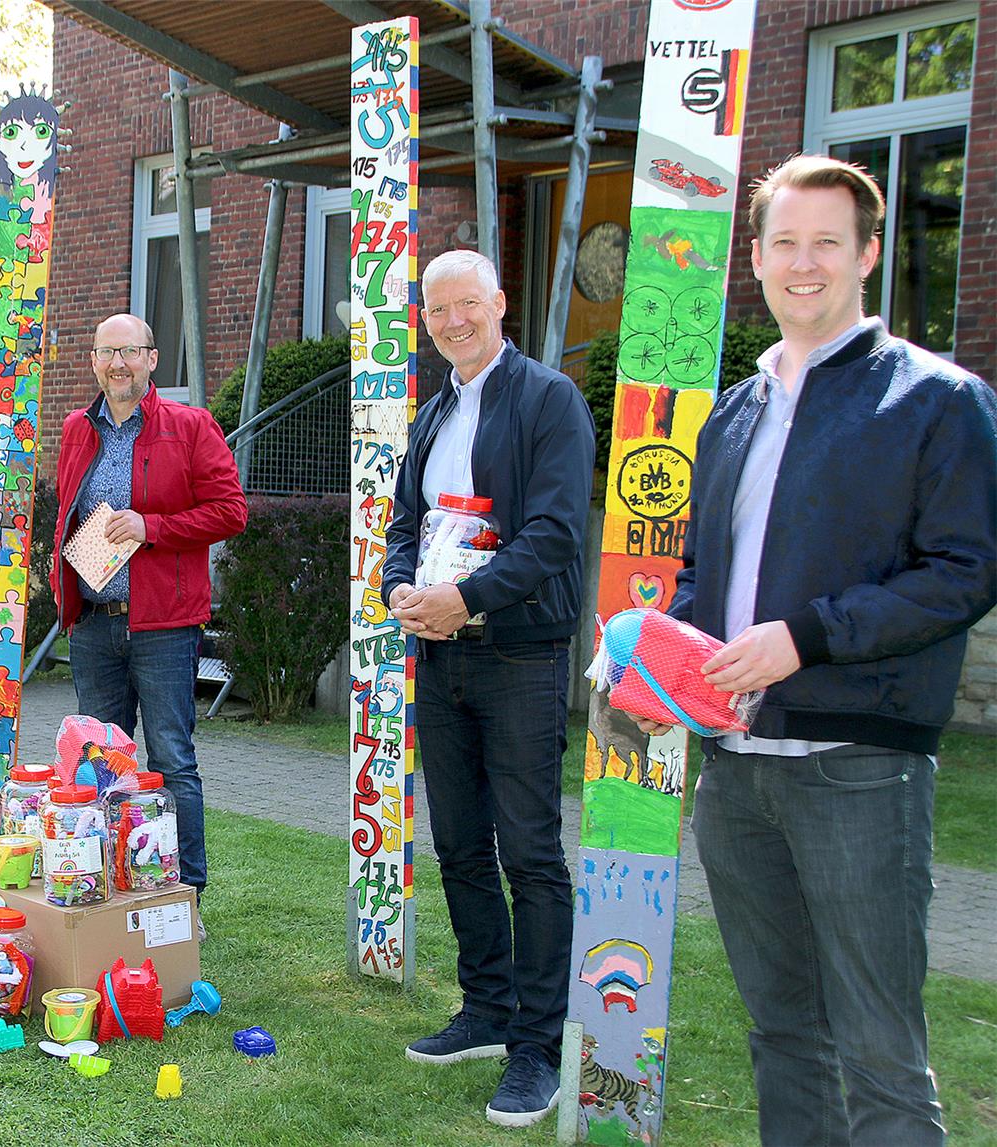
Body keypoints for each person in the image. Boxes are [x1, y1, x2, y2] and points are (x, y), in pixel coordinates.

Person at [639, 155, 996, 1146]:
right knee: (783, 1033)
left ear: (866, 254)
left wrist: (804, 638)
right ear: (752, 257)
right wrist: (662, 652)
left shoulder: (937, 400)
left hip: (860, 772)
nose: (803, 263)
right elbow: (705, 574)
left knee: (880, 1049)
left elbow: (964, 571)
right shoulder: (732, 412)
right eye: (783, 243)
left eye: (825, 243)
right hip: (733, 771)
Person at [381, 249, 596, 1128]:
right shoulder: (434, 413)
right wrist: (402, 590)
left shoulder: (549, 399)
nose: (454, 321)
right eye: (438, 310)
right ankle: (487, 1006)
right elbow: (405, 524)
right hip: (442, 656)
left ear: (500, 303)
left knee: (532, 856)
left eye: (468, 303)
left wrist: (464, 596)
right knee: (462, 844)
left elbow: (552, 534)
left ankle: (537, 1047)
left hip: (521, 656)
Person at [51, 313, 247, 897]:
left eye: (129, 352)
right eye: (106, 353)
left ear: (153, 359)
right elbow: (68, 512)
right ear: (93, 362)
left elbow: (230, 510)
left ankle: (184, 895)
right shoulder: (75, 430)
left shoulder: (190, 426)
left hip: (163, 625)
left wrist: (150, 525)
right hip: (92, 625)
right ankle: (113, 886)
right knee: (101, 766)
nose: (117, 364)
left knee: (171, 762)